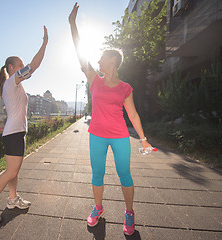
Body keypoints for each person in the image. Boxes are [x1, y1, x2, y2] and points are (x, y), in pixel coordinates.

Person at [69, 3, 153, 236]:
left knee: (124, 175)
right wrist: (72, 23)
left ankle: (129, 212)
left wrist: (143, 139)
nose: (98, 61)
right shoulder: (94, 79)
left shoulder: (125, 88)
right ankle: (98, 207)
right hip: (96, 135)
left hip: (119, 137)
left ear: (114, 62)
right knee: (97, 174)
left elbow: (133, 114)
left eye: (102, 59)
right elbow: (79, 50)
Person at [0, 26, 48, 225]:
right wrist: (45, 43)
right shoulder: (13, 81)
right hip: (13, 134)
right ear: (12, 68)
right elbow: (34, 65)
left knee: (14, 170)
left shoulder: (13, 84)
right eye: (19, 64)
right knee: (10, 171)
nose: (22, 67)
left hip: (16, 133)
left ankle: (12, 200)